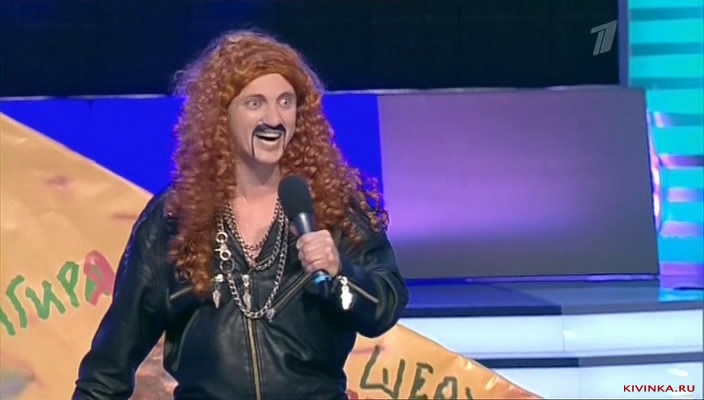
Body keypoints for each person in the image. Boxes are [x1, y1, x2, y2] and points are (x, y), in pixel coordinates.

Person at [72, 30, 409, 400]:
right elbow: (109, 367)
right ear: (222, 116)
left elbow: (384, 308)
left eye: (285, 102)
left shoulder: (333, 206)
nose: (274, 118)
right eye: (255, 103)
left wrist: (341, 272)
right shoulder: (174, 219)